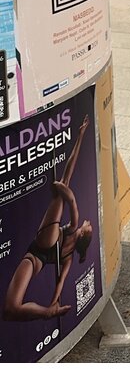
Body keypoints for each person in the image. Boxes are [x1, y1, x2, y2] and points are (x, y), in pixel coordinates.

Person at [3, 115, 93, 322]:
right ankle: (47, 312)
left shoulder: (73, 227)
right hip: (39, 259)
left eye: (88, 226)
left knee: (64, 182)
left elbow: (71, 198)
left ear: (81, 233)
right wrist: (54, 303)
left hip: (39, 248)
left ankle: (48, 311)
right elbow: (60, 282)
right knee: (12, 308)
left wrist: (80, 136)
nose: (87, 222)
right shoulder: (69, 257)